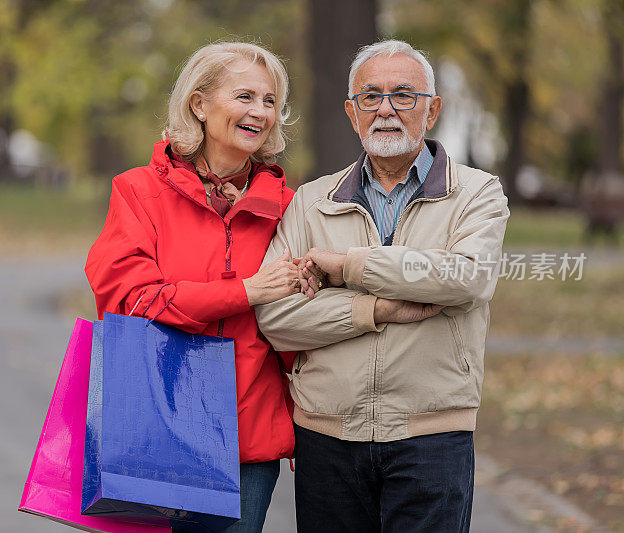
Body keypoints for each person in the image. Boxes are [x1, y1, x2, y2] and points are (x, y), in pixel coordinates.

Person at [254, 39, 510, 532]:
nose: (386, 110)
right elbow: (276, 318)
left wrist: (347, 267)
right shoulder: (311, 202)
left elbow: (466, 277)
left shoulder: (476, 193)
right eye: (370, 97)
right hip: (327, 435)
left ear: (431, 110)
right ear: (353, 113)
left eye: (403, 95)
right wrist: (375, 310)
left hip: (433, 435)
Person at [85, 42, 303, 532]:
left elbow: (300, 328)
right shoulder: (138, 191)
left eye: (270, 101)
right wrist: (244, 291)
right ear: (198, 105)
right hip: (153, 422)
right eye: (244, 96)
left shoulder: (291, 207)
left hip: (247, 436)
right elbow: (128, 298)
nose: (260, 112)